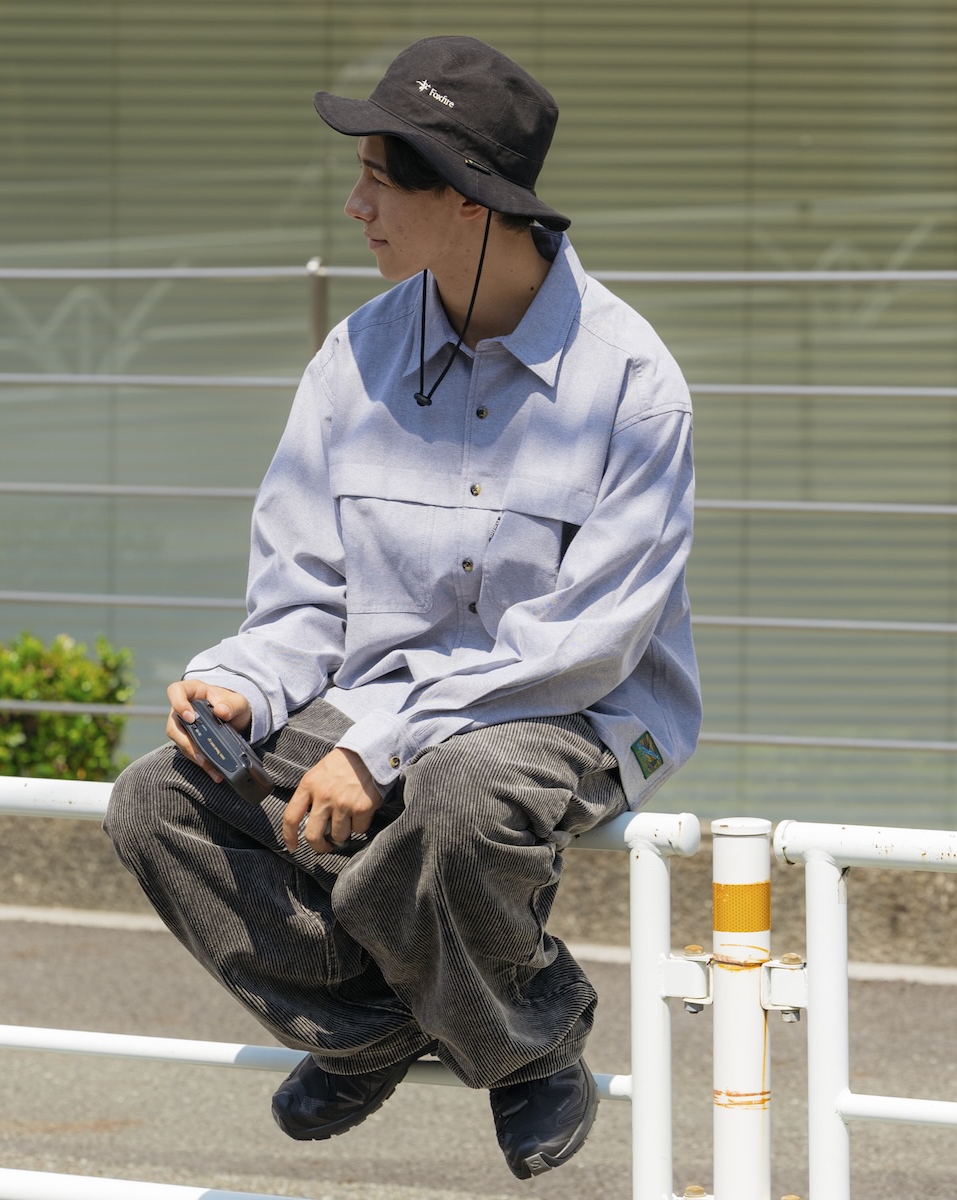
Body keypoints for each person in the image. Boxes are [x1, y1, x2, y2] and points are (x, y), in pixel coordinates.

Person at [104, 34, 701, 1181]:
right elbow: (303, 596)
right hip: (375, 704)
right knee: (158, 801)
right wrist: (242, 682)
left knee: (451, 794)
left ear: (470, 201)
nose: (355, 206)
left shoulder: (632, 385)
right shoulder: (353, 358)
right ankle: (369, 1024)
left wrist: (378, 746)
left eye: (379, 178)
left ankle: (528, 1040)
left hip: (572, 708)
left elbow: (585, 643)